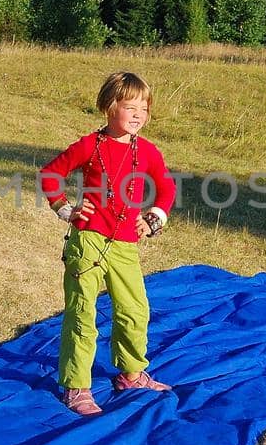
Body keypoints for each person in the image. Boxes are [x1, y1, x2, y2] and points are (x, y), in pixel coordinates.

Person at [39, 70, 177, 416]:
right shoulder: (89, 146)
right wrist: (65, 208)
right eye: (130, 107)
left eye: (144, 109)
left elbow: (166, 187)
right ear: (108, 107)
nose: (138, 116)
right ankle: (76, 386)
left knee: (134, 309)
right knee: (82, 313)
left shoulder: (146, 151)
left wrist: (154, 218)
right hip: (87, 242)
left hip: (125, 243)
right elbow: (51, 174)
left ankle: (131, 373)